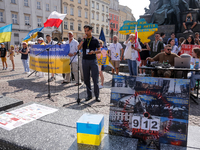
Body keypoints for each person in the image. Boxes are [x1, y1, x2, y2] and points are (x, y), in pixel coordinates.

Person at [78, 25, 101, 102]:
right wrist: (82, 40)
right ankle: (89, 95)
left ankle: (97, 96)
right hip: (84, 60)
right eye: (85, 31)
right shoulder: (83, 40)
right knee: (86, 79)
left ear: (91, 30)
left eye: (87, 30)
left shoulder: (95, 40)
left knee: (95, 79)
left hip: (93, 60)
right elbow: (78, 48)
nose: (86, 32)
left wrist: (93, 52)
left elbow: (99, 50)